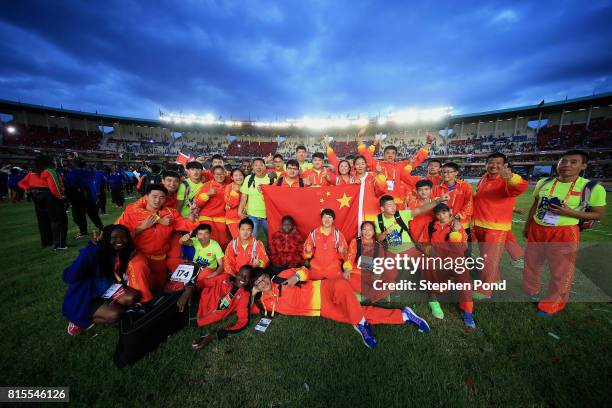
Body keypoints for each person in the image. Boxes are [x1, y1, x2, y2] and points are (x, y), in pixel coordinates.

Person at [251, 267, 430, 349]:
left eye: (263, 278)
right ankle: (404, 316)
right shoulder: (264, 302)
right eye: (258, 283)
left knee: (342, 286)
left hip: (323, 288)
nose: (263, 283)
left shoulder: (280, 278)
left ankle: (360, 324)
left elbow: (305, 270)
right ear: (256, 287)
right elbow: (250, 308)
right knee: (361, 313)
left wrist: (296, 277)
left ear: (268, 275)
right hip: (321, 310)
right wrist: (251, 294)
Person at [522, 150, 606, 316]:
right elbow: (535, 205)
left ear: (583, 166)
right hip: (538, 228)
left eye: (573, 162)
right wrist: (527, 226)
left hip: (565, 232)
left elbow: (599, 213)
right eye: (563, 161)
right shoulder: (544, 182)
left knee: (561, 270)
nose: (567, 165)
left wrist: (571, 213)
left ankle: (552, 304)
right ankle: (531, 289)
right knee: (531, 263)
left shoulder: (591, 187)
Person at [116, 184, 198, 302]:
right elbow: (121, 235)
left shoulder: (170, 213)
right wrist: (151, 223)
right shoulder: (133, 212)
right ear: (146, 197)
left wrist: (192, 216)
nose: (157, 200)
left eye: (161, 197)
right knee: (139, 269)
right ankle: (142, 304)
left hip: (159, 259)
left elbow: (184, 224)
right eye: (154, 197)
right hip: (139, 255)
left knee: (157, 286)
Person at [62, 225, 141, 335]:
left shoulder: (122, 252)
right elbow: (69, 277)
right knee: (115, 314)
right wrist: (91, 248)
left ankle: (110, 307)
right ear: (106, 238)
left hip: (108, 289)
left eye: (123, 237)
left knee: (133, 296)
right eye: (114, 237)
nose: (119, 240)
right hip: (88, 297)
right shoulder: (95, 252)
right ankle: (78, 321)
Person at [472, 153, 528, 299]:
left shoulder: (506, 180)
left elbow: (520, 187)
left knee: (490, 259)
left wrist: (511, 178)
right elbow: (483, 198)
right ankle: (494, 279)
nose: (494, 165)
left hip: (495, 228)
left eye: (498, 163)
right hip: (480, 224)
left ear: (505, 166)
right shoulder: (484, 178)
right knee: (486, 257)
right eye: (491, 162)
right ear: (486, 164)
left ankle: (485, 290)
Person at [421, 204, 475, 328]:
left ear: (450, 212)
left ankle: (467, 312)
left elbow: (463, 248)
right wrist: (429, 250)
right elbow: (423, 243)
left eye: (444, 213)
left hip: (455, 260)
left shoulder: (456, 227)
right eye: (439, 214)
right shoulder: (431, 226)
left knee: (464, 282)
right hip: (437, 260)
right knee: (426, 264)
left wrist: (455, 236)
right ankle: (433, 298)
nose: (442, 216)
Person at [188, 265, 253, 350]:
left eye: (247, 277)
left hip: (195, 319)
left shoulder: (244, 296)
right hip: (193, 300)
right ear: (237, 274)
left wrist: (213, 336)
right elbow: (204, 282)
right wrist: (189, 289)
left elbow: (243, 321)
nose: (243, 279)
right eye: (241, 274)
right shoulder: (224, 278)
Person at [18, 155, 68, 250]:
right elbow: (54, 187)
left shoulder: (32, 172)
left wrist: (28, 190)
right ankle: (60, 244)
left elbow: (21, 183)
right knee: (59, 220)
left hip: (36, 197)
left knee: (43, 221)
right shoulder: (49, 171)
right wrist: (62, 198)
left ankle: (47, 242)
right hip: (49, 196)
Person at [342, 221, 389, 302]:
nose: (367, 232)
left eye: (370, 230)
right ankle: (373, 295)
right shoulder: (355, 241)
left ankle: (368, 294)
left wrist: (377, 274)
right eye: (364, 229)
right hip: (356, 272)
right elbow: (350, 256)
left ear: (374, 232)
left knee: (389, 280)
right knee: (347, 278)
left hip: (370, 273)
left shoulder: (378, 246)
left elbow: (380, 262)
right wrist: (347, 269)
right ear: (361, 231)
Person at [303, 209, 348, 280]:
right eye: (324, 217)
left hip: (333, 267)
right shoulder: (314, 233)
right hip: (316, 267)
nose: (327, 220)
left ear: (333, 220)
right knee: (312, 286)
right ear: (321, 219)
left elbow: (346, 252)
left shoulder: (337, 234)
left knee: (338, 284)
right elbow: (306, 252)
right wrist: (307, 250)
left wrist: (343, 251)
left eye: (330, 217)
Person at [195, 165, 230, 247]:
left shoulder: (228, 186)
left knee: (223, 241)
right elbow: (198, 203)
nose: (219, 176)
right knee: (207, 241)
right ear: (213, 175)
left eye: (221, 174)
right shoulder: (207, 185)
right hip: (206, 217)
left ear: (225, 174)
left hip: (221, 218)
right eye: (217, 174)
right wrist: (207, 194)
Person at [238, 158, 272, 240]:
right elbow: (244, 196)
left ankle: (269, 252)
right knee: (253, 239)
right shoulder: (249, 179)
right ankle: (254, 252)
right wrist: (239, 211)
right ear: (252, 167)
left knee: (271, 239)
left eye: (261, 165)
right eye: (256, 165)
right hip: (252, 215)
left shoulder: (271, 179)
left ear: (265, 167)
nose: (258, 167)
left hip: (268, 216)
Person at [406, 179, 437, 244]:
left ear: (431, 190)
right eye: (420, 190)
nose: (423, 192)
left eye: (426, 189)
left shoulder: (436, 203)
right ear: (416, 191)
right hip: (415, 238)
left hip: (432, 238)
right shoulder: (411, 204)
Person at [224, 168, 244, 238]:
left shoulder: (245, 186)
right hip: (232, 218)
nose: (238, 177)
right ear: (232, 177)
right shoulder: (229, 187)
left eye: (240, 175)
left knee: (245, 239)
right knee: (237, 239)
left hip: (244, 217)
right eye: (236, 175)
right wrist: (235, 192)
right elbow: (229, 204)